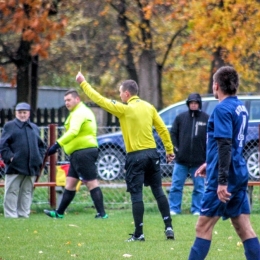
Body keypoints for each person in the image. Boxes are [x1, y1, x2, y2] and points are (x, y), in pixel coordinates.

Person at [76, 72, 175, 242]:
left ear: (127, 94)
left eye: (120, 92)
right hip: (152, 154)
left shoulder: (125, 109)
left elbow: (100, 99)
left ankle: (139, 233)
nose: (119, 95)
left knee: (137, 194)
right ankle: (169, 227)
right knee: (158, 190)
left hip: (136, 156)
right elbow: (162, 129)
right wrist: (169, 150)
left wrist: (83, 83)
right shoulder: (149, 107)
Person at [188, 66, 260, 260]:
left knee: (202, 226)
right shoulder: (240, 107)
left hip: (225, 176)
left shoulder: (221, 109)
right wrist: (209, 162)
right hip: (237, 170)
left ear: (216, 85)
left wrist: (221, 180)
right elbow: (228, 145)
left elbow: (225, 145)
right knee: (244, 228)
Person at [43, 90, 108, 219]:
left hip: (83, 152)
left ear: (77, 99)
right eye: (65, 101)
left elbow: (73, 131)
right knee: (70, 183)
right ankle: (59, 213)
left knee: (91, 183)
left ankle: (102, 214)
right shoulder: (82, 111)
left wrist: (57, 145)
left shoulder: (79, 113)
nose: (66, 103)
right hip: (79, 153)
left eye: (69, 100)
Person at [0, 102, 45, 218]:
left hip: (31, 166)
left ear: (29, 113)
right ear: (16, 113)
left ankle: (24, 214)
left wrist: (38, 158)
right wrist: (10, 158)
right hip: (15, 166)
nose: (22, 115)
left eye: (25, 112)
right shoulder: (10, 126)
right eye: (20, 112)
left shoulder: (34, 128)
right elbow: (3, 145)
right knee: (11, 191)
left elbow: (41, 145)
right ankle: (11, 215)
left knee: (26, 192)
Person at [168, 93, 209, 215]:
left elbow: (211, 138)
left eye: (196, 103)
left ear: (199, 104)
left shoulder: (206, 118)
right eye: (191, 103)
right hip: (181, 161)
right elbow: (173, 134)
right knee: (176, 186)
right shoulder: (180, 118)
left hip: (199, 162)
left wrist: (206, 156)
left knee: (200, 188)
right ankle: (174, 209)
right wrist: (176, 150)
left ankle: (197, 209)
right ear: (188, 104)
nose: (193, 105)